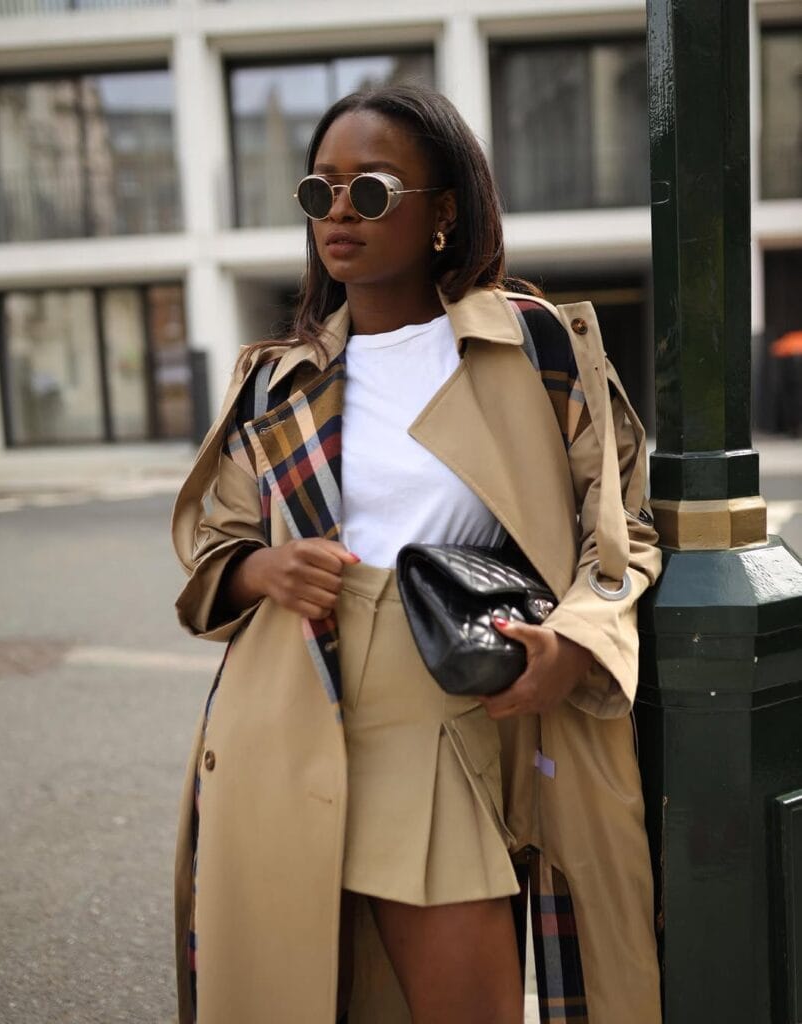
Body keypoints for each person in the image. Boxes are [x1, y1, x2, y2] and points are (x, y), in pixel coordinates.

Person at [171, 83, 662, 1024]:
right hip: (285, 710)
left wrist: (571, 646)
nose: (339, 214)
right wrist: (258, 569)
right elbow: (217, 542)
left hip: (441, 710)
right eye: (320, 193)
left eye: (372, 190)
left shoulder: (530, 348)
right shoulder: (279, 376)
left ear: (443, 211)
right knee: (296, 991)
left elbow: (621, 531)